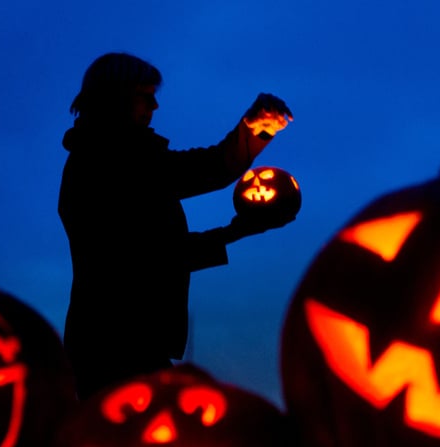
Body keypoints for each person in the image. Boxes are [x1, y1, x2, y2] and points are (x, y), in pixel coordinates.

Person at [58, 51, 296, 400]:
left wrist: (253, 129)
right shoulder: (107, 165)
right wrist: (235, 231)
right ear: (116, 97)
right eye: (145, 95)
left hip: (124, 338)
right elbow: (146, 257)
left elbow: (209, 170)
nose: (155, 106)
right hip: (116, 340)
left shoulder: (124, 158)